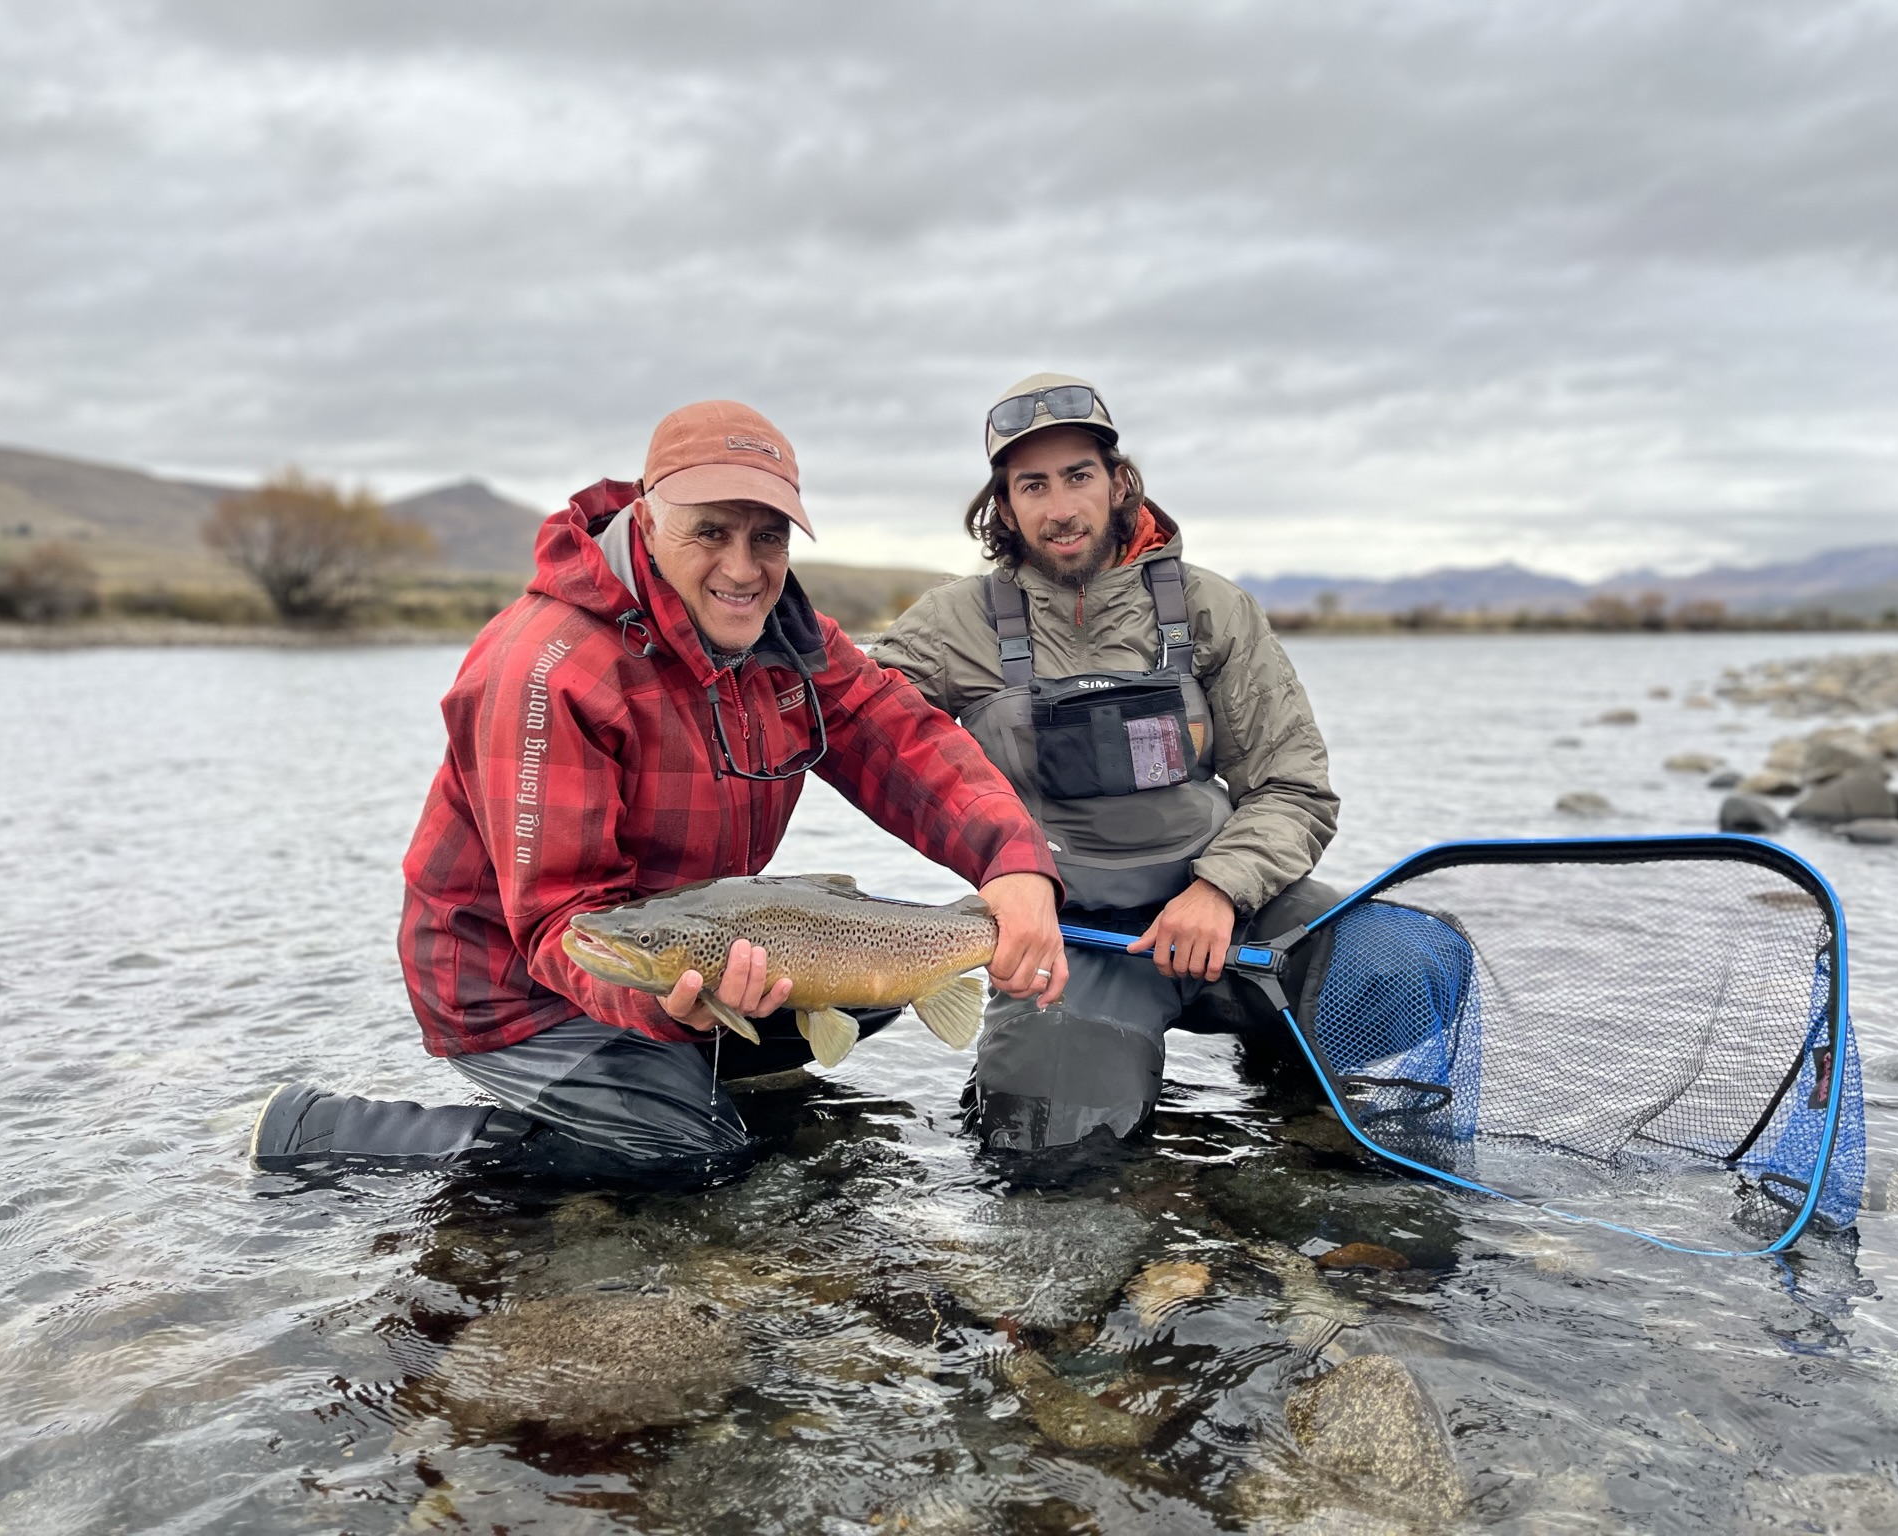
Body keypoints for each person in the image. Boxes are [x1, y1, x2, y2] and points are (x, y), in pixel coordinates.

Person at [251, 400, 1066, 1180]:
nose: (743, 569)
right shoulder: (549, 670)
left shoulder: (786, 640)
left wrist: (1014, 864)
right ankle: (326, 1129)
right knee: (691, 1155)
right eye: (710, 531)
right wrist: (672, 1010)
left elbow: (906, 743)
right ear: (644, 521)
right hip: (520, 987)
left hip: (685, 941)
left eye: (768, 537)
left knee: (866, 990)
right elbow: (562, 925)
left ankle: (691, 1076)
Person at [871, 374, 1341, 1151]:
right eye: (1033, 484)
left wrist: (1220, 889)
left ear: (1119, 483)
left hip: (1232, 919)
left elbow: (1295, 788)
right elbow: (849, 723)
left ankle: (1292, 1079)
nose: (1060, 508)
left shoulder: (1211, 608)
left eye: (1079, 476)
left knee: (1405, 970)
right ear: (1004, 505)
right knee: (1042, 1150)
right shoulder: (953, 623)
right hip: (1070, 943)